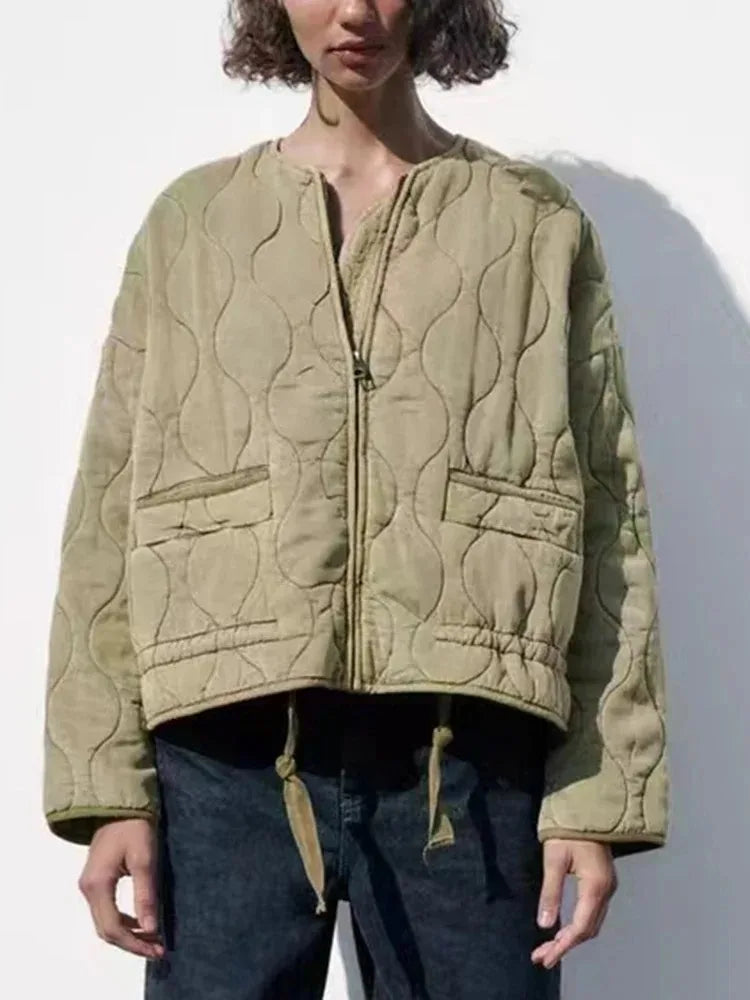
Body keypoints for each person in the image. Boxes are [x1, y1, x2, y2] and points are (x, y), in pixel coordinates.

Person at [41, 1, 671, 997]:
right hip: (227, 753)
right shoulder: (192, 224)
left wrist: (597, 794)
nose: (355, 11)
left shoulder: (533, 224)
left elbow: (608, 511)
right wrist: (108, 786)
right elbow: (111, 509)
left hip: (465, 757)